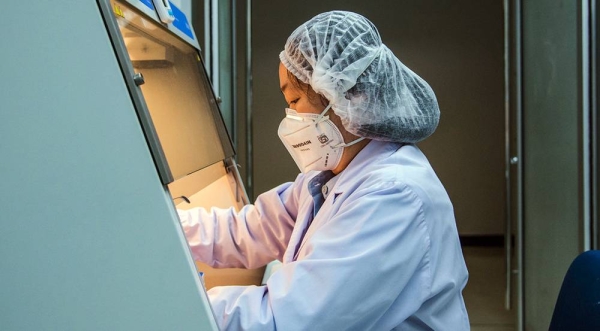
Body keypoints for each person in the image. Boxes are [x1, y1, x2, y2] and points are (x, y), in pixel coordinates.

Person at [177, 10, 470, 330]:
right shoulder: (331, 176)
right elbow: (248, 230)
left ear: (345, 97)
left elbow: (288, 319)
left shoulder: (392, 194)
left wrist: (176, 302)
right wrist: (165, 223)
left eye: (294, 100)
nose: (289, 116)